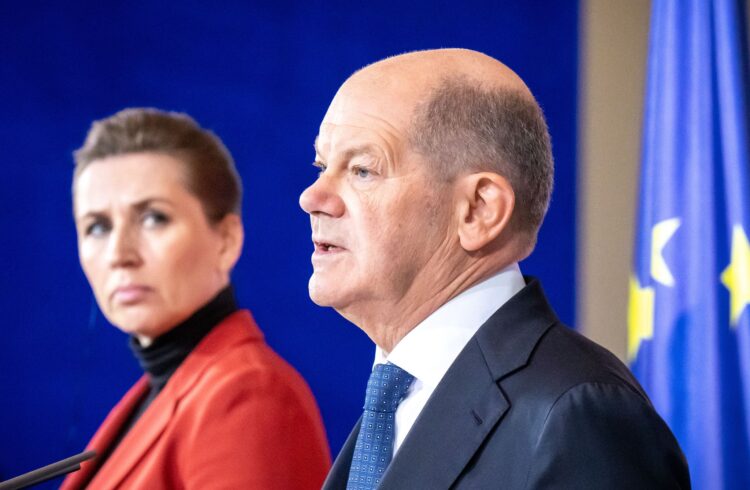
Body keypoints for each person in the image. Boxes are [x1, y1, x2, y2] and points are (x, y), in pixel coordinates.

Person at [299, 49, 690, 489]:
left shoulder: (576, 416)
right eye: (321, 166)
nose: (312, 197)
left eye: (363, 170)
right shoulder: (395, 399)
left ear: (479, 210)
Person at [62, 108, 330, 489]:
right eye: (98, 226)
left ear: (227, 240)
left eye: (153, 218)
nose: (119, 253)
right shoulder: (163, 392)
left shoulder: (249, 395)